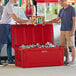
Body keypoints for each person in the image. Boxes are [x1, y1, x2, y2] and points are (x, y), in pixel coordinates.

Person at [0, 0, 33, 65]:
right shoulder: (9, 6)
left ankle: (10, 60)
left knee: (10, 43)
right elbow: (16, 18)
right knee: (1, 43)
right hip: (4, 25)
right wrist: (28, 21)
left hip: (10, 25)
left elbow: (15, 18)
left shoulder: (12, 5)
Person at [44, 0, 76, 65]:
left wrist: (73, 30)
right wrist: (46, 22)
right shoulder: (61, 10)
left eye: (59, 2)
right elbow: (56, 19)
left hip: (69, 30)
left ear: (64, 1)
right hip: (62, 29)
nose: (59, 3)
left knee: (71, 46)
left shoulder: (72, 9)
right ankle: (67, 59)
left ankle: (73, 61)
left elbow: (74, 21)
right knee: (63, 46)